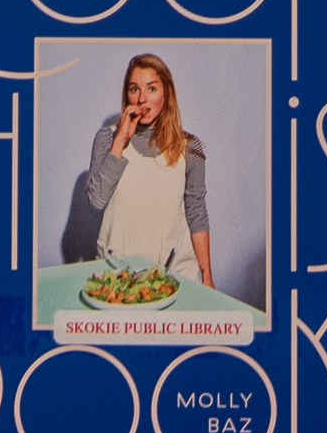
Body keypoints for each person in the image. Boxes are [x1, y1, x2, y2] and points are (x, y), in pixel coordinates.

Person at [59, 51, 213, 296]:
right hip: (118, 276)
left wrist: (207, 277)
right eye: (134, 89)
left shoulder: (189, 147)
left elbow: (197, 213)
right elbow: (97, 199)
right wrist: (121, 139)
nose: (142, 98)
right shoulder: (108, 138)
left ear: (167, 93)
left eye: (151, 89)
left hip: (175, 276)